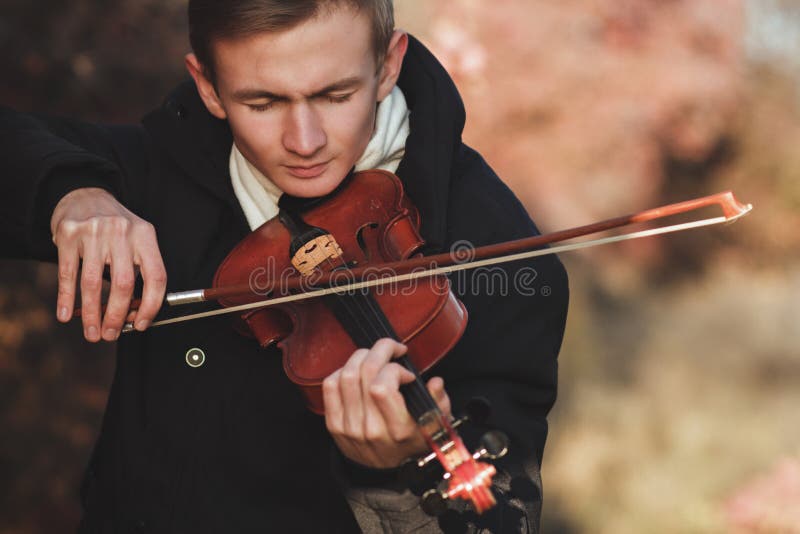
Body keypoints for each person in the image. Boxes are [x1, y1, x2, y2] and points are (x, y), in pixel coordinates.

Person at [0, 1, 568, 532]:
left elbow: (499, 518)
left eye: (335, 94)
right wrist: (72, 194)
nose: (304, 141)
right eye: (263, 103)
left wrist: (387, 475)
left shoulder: (497, 249)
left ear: (389, 65)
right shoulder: (161, 170)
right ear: (209, 88)